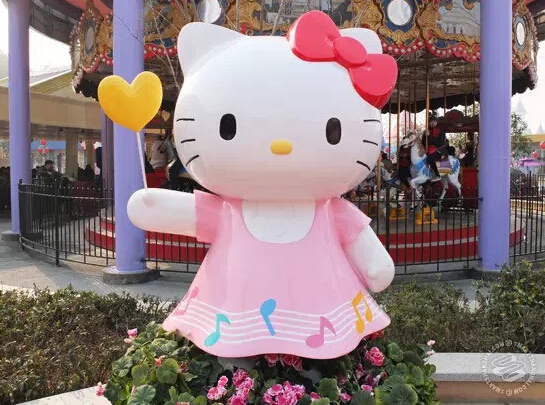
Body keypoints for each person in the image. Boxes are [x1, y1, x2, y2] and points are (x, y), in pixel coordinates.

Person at [422, 111, 447, 177]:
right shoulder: (426, 131)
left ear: (436, 122)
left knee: (431, 157)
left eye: (434, 121)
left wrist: (429, 136)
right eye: (431, 121)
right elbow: (423, 142)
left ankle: (437, 174)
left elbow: (440, 142)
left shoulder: (441, 131)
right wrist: (425, 137)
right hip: (428, 149)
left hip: (439, 149)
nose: (432, 123)